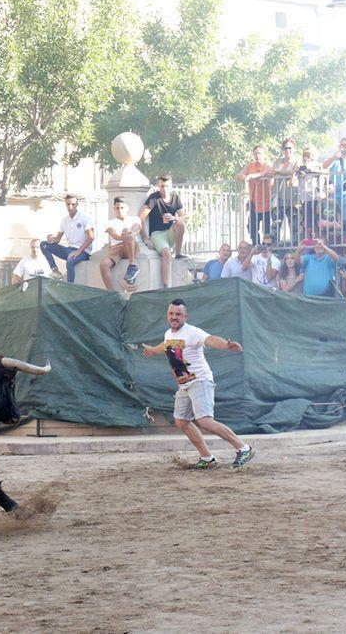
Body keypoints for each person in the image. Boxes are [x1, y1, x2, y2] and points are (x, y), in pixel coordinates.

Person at [141, 299, 254, 470]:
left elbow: (209, 340)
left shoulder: (192, 332)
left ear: (185, 316)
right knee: (181, 421)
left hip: (200, 381)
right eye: (171, 313)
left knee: (205, 421)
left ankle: (243, 448)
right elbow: (165, 346)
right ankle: (207, 458)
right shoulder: (168, 334)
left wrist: (226, 345)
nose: (174, 317)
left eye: (178, 314)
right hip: (184, 385)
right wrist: (152, 349)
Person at [141, 175, 187, 287]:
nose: (164, 189)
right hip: (157, 235)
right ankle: (166, 287)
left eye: (167, 186)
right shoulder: (154, 198)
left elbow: (183, 217)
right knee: (166, 254)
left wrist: (174, 218)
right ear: (158, 186)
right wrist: (145, 238)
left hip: (171, 232)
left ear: (171, 186)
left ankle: (178, 252)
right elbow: (141, 217)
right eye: (162, 186)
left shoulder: (175, 197)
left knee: (180, 223)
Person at [40, 194, 95, 283]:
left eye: (73, 204)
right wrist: (51, 238)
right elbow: (57, 239)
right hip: (69, 250)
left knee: (70, 262)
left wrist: (79, 251)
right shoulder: (64, 220)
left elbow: (91, 237)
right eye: (68, 204)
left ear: (77, 204)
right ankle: (55, 271)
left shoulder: (85, 218)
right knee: (44, 244)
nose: (71, 207)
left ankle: (69, 287)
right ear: (65, 204)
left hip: (83, 252)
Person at [100, 196, 142, 291]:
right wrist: (122, 237)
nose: (119, 210)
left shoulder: (135, 219)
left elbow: (137, 228)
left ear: (127, 208)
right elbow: (113, 234)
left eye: (122, 208)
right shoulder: (110, 222)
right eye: (117, 208)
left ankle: (132, 266)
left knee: (127, 231)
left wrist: (131, 234)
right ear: (114, 208)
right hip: (116, 248)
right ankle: (111, 292)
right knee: (103, 264)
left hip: (131, 245)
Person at [237, 145, 275, 243]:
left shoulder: (267, 165)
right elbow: (238, 176)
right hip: (254, 203)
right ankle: (256, 247)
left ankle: (266, 249)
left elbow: (268, 173)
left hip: (267, 204)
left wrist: (252, 176)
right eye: (256, 153)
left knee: (267, 230)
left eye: (260, 153)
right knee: (252, 228)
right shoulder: (250, 166)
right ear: (253, 154)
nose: (258, 155)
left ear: (264, 155)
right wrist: (252, 176)